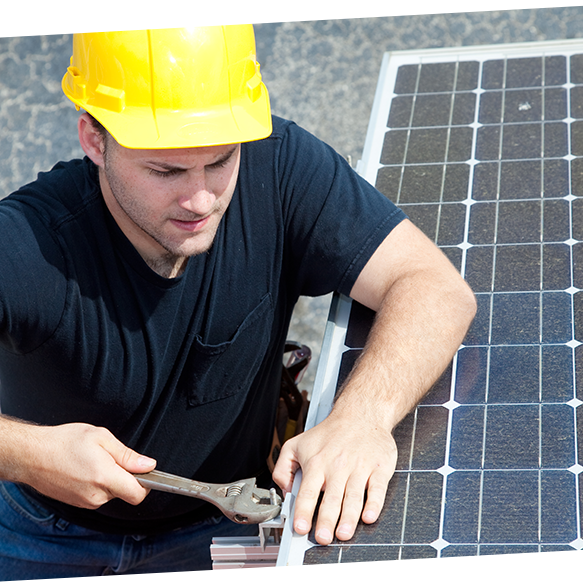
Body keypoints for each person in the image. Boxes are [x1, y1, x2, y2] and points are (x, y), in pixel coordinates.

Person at [0, 5, 476, 582]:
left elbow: (432, 285)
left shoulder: (279, 168)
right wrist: (27, 453)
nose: (200, 200)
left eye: (220, 160)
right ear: (94, 138)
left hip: (225, 519)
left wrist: (363, 418)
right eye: (165, 172)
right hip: (41, 534)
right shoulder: (28, 243)